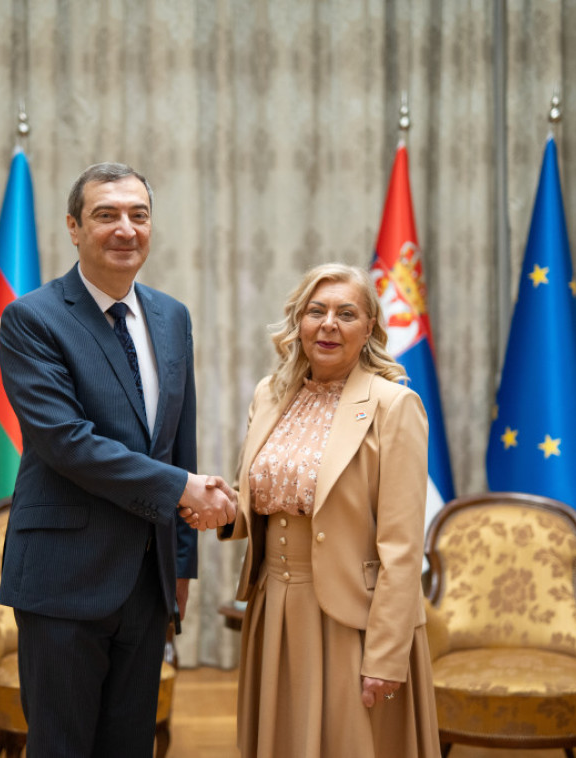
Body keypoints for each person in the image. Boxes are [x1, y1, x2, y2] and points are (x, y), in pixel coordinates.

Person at [0, 162, 236, 758]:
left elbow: (179, 442)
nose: (125, 229)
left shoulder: (172, 316)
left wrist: (182, 566)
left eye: (138, 214)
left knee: (130, 746)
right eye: (106, 215)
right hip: (62, 579)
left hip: (147, 584)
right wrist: (183, 488)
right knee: (62, 747)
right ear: (74, 228)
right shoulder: (32, 319)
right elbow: (67, 441)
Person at [222, 263, 441, 758]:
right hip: (273, 607)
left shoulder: (394, 406)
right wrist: (215, 508)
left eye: (346, 314)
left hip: (354, 618)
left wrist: (386, 654)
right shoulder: (270, 395)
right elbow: (254, 499)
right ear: (298, 322)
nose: (328, 325)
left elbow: (403, 547)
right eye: (315, 311)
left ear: (369, 328)